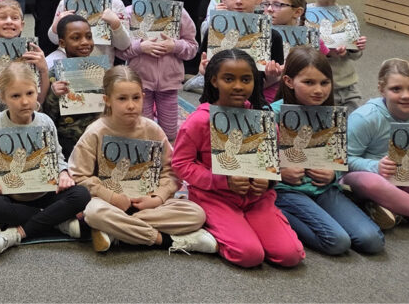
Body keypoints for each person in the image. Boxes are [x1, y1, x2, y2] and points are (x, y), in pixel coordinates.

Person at [173, 49, 305, 268]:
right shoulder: (199, 121)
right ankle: (210, 232)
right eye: (228, 79)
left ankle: (245, 227)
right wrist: (221, 181)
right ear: (214, 80)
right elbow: (181, 164)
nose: (238, 86)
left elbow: (275, 160)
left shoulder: (262, 120)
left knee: (290, 255)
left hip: (257, 198)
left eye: (246, 79)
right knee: (249, 255)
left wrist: (269, 180)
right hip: (214, 197)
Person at [69, 66, 216, 254]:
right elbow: (79, 176)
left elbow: (171, 171)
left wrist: (158, 197)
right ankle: (164, 240)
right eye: (122, 99)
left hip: (149, 205)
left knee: (196, 214)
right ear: (107, 101)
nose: (130, 105)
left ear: (143, 97)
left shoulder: (152, 129)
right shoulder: (96, 131)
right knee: (94, 212)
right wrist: (111, 197)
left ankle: (115, 231)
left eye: (136, 98)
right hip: (110, 204)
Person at [272, 47, 385, 255]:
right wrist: (280, 173)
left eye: (324, 83)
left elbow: (339, 160)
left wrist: (333, 174)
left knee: (372, 241)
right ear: (289, 81)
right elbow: (256, 164)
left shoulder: (331, 115)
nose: (319, 90)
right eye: (309, 82)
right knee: (337, 242)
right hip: (287, 192)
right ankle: (277, 213)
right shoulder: (273, 114)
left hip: (324, 189)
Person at [0, 62, 91, 256]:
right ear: (3, 98)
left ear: (37, 92)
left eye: (29, 93)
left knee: (81, 195)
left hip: (45, 193)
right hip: (11, 196)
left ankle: (18, 232)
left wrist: (63, 172)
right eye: (15, 96)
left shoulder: (45, 122)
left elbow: (56, 155)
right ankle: (57, 222)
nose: (25, 102)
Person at [119, 0, 198, 141]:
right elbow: (120, 50)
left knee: (170, 133)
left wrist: (175, 45)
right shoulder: (129, 12)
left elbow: (192, 48)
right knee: (144, 133)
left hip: (169, 84)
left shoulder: (180, 14)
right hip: (140, 83)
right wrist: (140, 47)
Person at [342, 58, 409, 230]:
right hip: (362, 174)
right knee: (372, 183)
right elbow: (342, 160)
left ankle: (388, 208)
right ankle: (394, 205)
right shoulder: (366, 117)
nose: (406, 95)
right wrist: (375, 166)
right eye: (396, 89)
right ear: (382, 89)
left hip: (400, 175)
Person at [307, 0, 368, 112]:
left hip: (346, 84)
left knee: (351, 126)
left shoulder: (347, 14)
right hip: (315, 83)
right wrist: (326, 52)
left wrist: (355, 48)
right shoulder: (302, 14)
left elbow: (355, 55)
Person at [43, 14, 105, 154]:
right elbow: (46, 119)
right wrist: (53, 95)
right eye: (76, 38)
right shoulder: (53, 75)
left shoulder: (102, 71)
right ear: (62, 43)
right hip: (67, 139)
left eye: (89, 37)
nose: (85, 42)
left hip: (98, 136)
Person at [0, 0, 50, 111]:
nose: (9, 21)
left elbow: (40, 100)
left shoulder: (32, 52)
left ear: (22, 25)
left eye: (15, 18)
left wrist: (44, 70)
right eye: (3, 18)